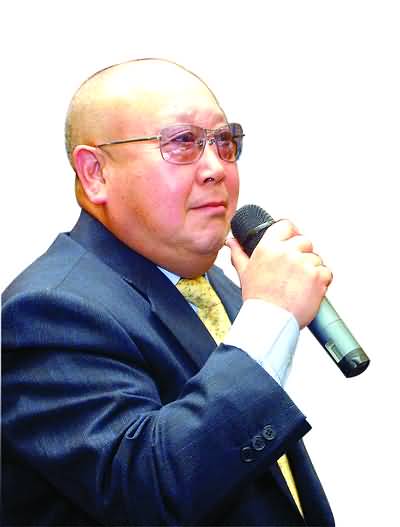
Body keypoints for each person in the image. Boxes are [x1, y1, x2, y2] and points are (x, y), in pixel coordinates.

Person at [1, 58, 335, 526]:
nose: (216, 168)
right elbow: (149, 495)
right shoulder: (48, 310)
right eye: (182, 142)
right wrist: (270, 318)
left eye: (225, 142)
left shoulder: (217, 287)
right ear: (95, 173)